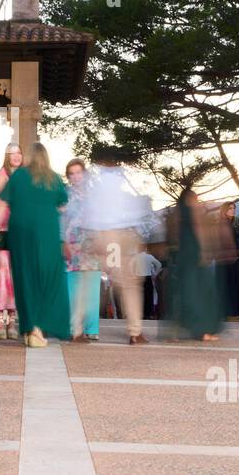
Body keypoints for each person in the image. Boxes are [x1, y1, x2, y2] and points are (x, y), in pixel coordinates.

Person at [0, 142, 70, 347]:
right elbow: (63, 205)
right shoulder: (53, 179)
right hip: (47, 235)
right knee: (48, 281)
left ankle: (29, 329)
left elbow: (2, 203)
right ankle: (37, 328)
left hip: (20, 235)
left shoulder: (18, 176)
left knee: (25, 279)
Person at [85, 144, 150, 345]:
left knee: (92, 281)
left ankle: (81, 328)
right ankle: (134, 332)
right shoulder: (119, 179)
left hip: (101, 235)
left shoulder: (96, 182)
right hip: (118, 236)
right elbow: (135, 209)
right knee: (128, 284)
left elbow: (91, 210)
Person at [161, 190, 225, 341]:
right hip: (193, 254)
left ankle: (174, 333)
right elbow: (198, 229)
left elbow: (171, 235)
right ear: (191, 198)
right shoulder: (193, 210)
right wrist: (204, 250)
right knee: (200, 293)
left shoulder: (175, 213)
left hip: (179, 255)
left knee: (179, 292)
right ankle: (202, 331)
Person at [62, 158, 102, 342]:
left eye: (79, 172)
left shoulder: (95, 194)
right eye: (72, 173)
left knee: (93, 287)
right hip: (72, 244)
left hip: (93, 244)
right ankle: (74, 327)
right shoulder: (65, 194)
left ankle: (92, 328)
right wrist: (62, 241)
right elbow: (60, 219)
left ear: (84, 173)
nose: (76, 176)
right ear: (69, 176)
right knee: (73, 287)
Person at [0, 143, 23, 338]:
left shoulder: (25, 175)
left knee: (16, 275)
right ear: (7, 156)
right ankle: (0, 320)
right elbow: (3, 202)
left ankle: (12, 319)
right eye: (12, 153)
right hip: (3, 230)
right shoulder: (3, 175)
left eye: (19, 152)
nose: (16, 156)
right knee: (2, 276)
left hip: (20, 230)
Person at [219, 201, 239, 319]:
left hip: (230, 261)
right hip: (228, 262)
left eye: (234, 208)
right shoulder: (223, 225)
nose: (233, 210)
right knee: (231, 286)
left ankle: (231, 313)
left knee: (231, 286)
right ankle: (231, 313)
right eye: (230, 208)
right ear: (224, 210)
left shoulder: (228, 225)